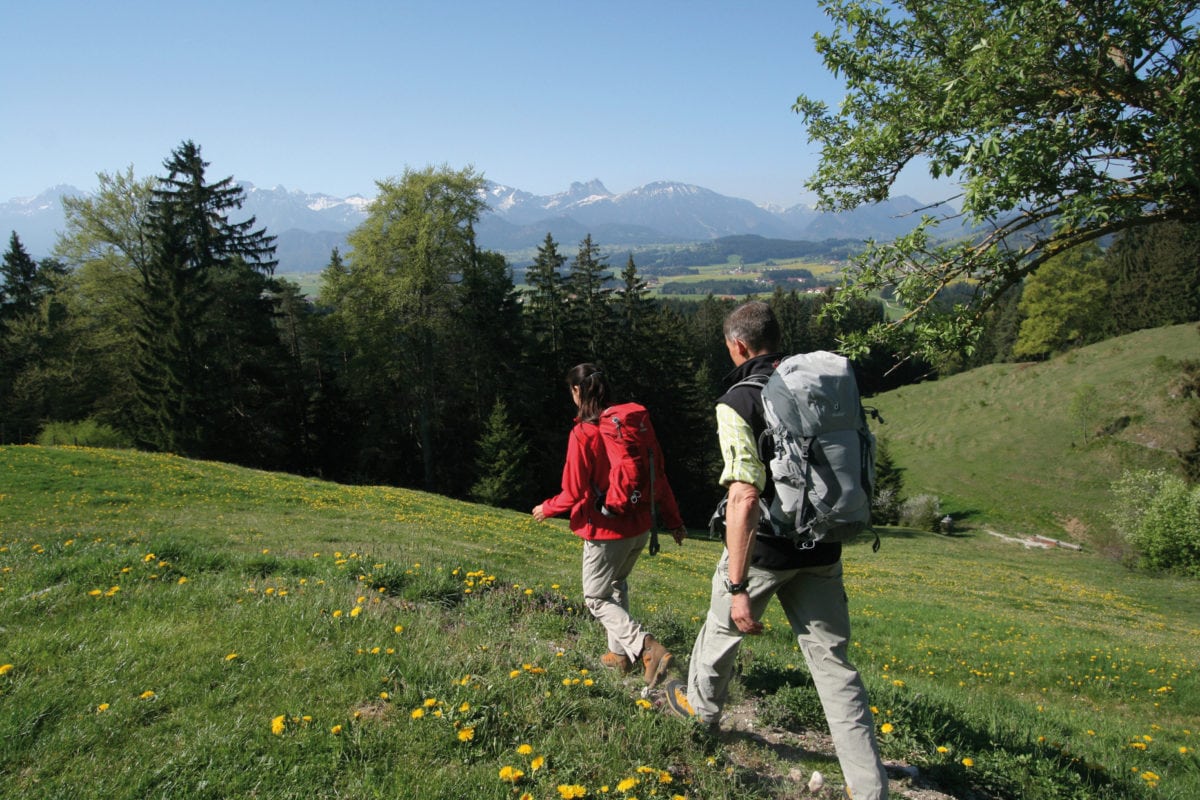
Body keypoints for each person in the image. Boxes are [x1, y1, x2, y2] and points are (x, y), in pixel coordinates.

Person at [663, 301, 889, 800]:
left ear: (738, 346)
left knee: (721, 629)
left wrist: (739, 585)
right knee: (835, 667)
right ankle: (868, 787)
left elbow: (744, 494)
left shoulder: (738, 401)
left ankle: (697, 714)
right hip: (823, 543)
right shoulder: (814, 386)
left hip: (766, 549)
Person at [533, 363, 687, 687]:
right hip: (640, 528)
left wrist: (547, 509)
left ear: (577, 391)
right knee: (616, 585)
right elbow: (658, 476)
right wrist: (673, 521)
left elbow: (573, 491)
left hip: (606, 531)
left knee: (595, 597)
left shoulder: (583, 433)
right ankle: (619, 656)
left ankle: (647, 648)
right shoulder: (629, 428)